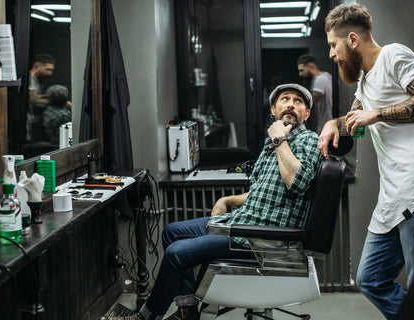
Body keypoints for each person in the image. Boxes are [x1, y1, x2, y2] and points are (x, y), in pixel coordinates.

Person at [134, 84, 323, 320]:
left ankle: (146, 316)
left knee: (176, 253)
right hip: (245, 220)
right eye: (285, 99)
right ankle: (187, 310)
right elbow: (261, 191)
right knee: (172, 232)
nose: (291, 105)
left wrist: (278, 140)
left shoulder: (309, 140)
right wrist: (228, 199)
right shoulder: (271, 144)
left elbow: (296, 182)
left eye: (299, 101)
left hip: (263, 236)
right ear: (273, 110)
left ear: (306, 114)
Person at [318, 3, 414, 320]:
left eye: (333, 45)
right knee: (369, 279)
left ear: (352, 39)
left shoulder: (394, 55)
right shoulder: (365, 81)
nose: (331, 55)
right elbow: (353, 121)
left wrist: (376, 114)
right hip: (393, 200)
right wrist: (330, 125)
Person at [297, 53, 333, 134]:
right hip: (326, 124)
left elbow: (311, 101)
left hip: (325, 125)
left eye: (302, 70)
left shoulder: (319, 79)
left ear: (311, 67)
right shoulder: (326, 75)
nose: (300, 74)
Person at [27, 53, 56, 142]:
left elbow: (36, 96)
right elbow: (32, 100)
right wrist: (56, 102)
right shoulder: (31, 78)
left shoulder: (37, 79)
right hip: (28, 119)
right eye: (47, 69)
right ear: (36, 66)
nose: (50, 73)